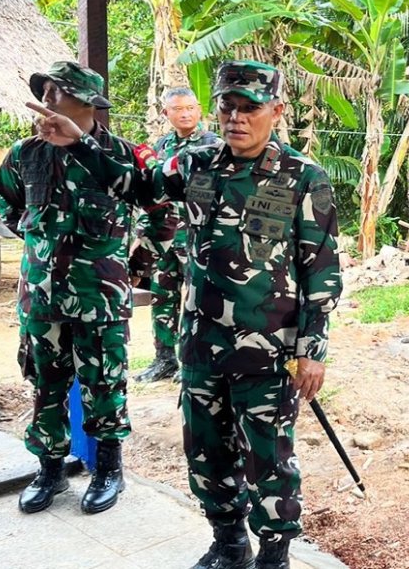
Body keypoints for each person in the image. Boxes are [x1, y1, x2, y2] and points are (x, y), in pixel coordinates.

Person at [27, 60, 342, 569]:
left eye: (250, 108)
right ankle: (228, 543)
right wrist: (80, 139)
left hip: (266, 349)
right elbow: (136, 185)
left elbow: (322, 271)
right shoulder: (197, 162)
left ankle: (274, 554)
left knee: (269, 458)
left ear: (277, 111)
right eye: (227, 106)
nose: (236, 117)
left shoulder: (303, 177)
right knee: (206, 454)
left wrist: (313, 351)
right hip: (199, 344)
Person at [0, 61, 175, 515]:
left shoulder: (124, 155)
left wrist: (134, 264)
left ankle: (109, 470)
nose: (48, 96)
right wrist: (42, 249)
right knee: (44, 384)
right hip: (40, 299)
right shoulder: (25, 154)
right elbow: (10, 206)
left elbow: (162, 213)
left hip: (100, 298)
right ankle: (50, 471)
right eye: (47, 89)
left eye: (58, 90)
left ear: (88, 102)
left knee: (105, 383)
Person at [135, 87, 221, 383]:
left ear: (199, 111)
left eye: (190, 108)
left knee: (199, 300)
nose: (185, 114)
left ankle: (196, 362)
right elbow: (152, 189)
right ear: (165, 113)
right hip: (164, 238)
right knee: (162, 296)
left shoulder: (214, 145)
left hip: (198, 238)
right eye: (177, 109)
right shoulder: (162, 145)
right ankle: (164, 359)